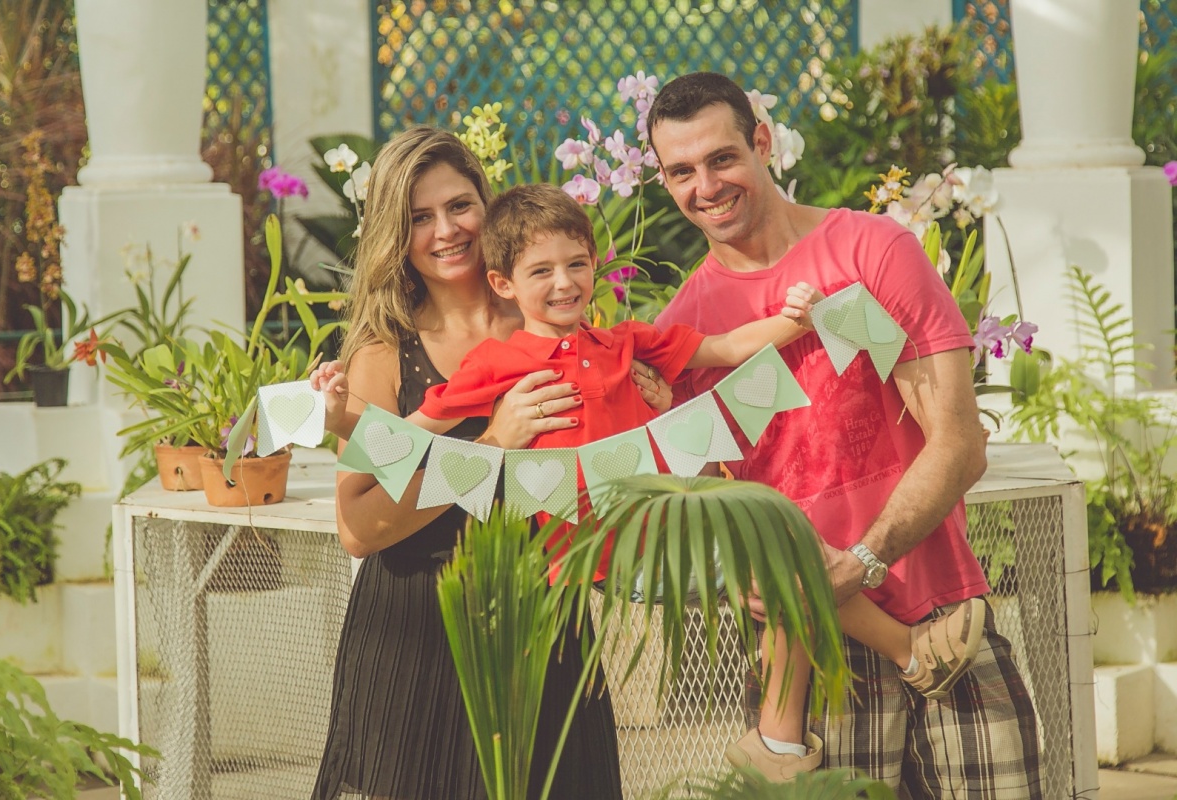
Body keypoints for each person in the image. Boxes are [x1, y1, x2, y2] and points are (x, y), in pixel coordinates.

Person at [317, 183, 990, 785]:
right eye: (541, 271)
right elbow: (416, 429)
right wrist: (337, 412)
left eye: (576, 264)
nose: (563, 282)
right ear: (504, 284)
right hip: (584, 552)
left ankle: (781, 741)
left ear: (595, 265)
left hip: (653, 526)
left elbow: (725, 350)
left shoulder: (625, 342)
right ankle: (905, 652)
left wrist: (799, 319)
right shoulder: (499, 362)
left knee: (779, 548)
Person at [647, 73, 1042, 798]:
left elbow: (959, 443)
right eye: (681, 171)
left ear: (761, 142)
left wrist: (860, 560)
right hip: (809, 658)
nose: (705, 185)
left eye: (722, 158)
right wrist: (743, 576)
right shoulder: (684, 334)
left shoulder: (871, 251)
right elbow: (695, 511)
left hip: (944, 617)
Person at [310, 127, 669, 800]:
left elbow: (620, 445)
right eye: (420, 217)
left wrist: (653, 397)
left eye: (459, 205)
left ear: (487, 203)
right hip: (420, 629)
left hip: (543, 616)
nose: (446, 230)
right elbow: (358, 525)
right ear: (396, 232)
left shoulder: (550, 309)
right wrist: (490, 448)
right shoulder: (387, 351)